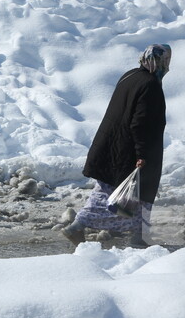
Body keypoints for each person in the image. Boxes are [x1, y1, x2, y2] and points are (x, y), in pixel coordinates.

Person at [62, 44, 170, 248]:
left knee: (126, 192)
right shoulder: (150, 85)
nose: (166, 65)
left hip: (114, 144)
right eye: (165, 60)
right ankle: (78, 226)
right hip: (129, 150)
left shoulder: (131, 75)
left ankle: (139, 236)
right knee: (117, 192)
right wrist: (142, 153)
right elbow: (142, 123)